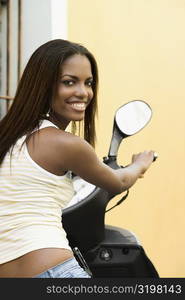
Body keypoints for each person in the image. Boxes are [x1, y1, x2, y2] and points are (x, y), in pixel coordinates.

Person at [0, 39, 155, 278]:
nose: (83, 93)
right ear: (44, 85)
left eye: (89, 83)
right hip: (54, 272)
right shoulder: (65, 144)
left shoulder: (8, 137)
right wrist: (139, 165)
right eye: (69, 82)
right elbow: (118, 182)